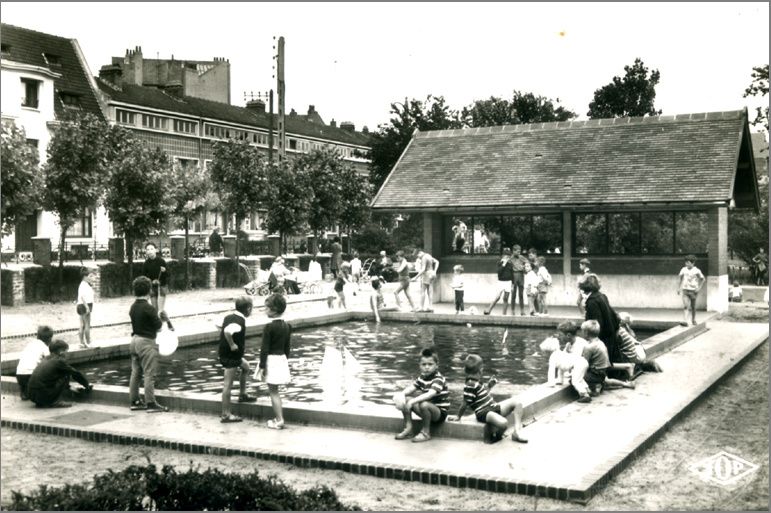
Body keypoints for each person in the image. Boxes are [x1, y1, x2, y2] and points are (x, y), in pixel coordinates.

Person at [449, 354, 527, 444]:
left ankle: (517, 431)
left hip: (493, 407)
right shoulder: (470, 385)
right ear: (480, 371)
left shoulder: (476, 382)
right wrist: (458, 416)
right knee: (504, 423)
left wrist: (489, 386)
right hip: (484, 412)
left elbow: (482, 395)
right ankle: (497, 436)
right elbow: (465, 403)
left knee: (517, 404)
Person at [392, 347, 449, 443]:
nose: (427, 367)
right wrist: (401, 395)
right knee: (405, 399)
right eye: (424, 364)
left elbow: (431, 394)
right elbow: (411, 388)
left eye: (430, 364)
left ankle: (426, 433)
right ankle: (408, 428)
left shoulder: (438, 379)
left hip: (439, 413)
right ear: (419, 365)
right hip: (427, 410)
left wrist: (413, 401)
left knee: (424, 404)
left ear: (436, 365)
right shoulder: (422, 377)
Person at [128, 276, 168, 413]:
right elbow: (159, 328)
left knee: (136, 373)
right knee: (149, 373)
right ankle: (150, 403)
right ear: (149, 290)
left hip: (134, 340)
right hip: (146, 342)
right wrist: (163, 319)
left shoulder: (133, 307)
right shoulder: (149, 308)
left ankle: (135, 401)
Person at [255, 293, 292, 429]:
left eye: (266, 308)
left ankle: (279, 420)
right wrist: (284, 362)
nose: (265, 310)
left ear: (274, 310)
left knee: (273, 392)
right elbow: (287, 348)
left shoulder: (268, 327)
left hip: (271, 360)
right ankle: (279, 418)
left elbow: (264, 349)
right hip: (281, 359)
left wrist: (262, 366)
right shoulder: (287, 326)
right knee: (275, 391)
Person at [219, 296, 257, 423]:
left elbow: (219, 326)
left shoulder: (229, 317)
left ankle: (242, 394)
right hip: (231, 355)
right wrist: (231, 344)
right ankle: (226, 414)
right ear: (248, 309)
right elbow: (228, 332)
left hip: (232, 355)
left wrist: (225, 338)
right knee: (227, 384)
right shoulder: (239, 321)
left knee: (246, 366)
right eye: (251, 308)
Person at [27, 340, 92, 408]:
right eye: (67, 351)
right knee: (67, 373)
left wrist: (69, 387)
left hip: (32, 396)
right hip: (43, 396)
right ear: (62, 352)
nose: (67, 354)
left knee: (61, 373)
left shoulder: (45, 359)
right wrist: (87, 385)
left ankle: (44, 401)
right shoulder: (59, 361)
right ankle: (53, 402)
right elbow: (76, 374)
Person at [580, 320, 636, 396]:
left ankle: (595, 387)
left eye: (582, 331)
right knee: (607, 380)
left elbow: (584, 363)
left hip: (595, 374)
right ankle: (626, 384)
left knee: (576, 377)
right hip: (603, 372)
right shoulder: (600, 342)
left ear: (586, 333)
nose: (581, 333)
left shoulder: (588, 347)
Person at [579, 274, 622, 362]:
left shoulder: (592, 301)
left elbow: (597, 324)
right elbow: (615, 317)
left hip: (603, 340)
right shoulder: (602, 296)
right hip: (611, 337)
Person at [16, 325, 54, 400]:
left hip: (19, 375)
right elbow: (50, 361)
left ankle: (24, 392)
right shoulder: (44, 347)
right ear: (49, 339)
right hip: (31, 376)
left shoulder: (30, 344)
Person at [677, 254, 705, 327]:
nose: (686, 264)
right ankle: (685, 321)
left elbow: (703, 279)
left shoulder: (697, 270)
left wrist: (698, 288)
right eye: (685, 262)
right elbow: (680, 278)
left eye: (688, 262)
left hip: (693, 291)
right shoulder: (683, 269)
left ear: (693, 263)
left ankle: (693, 319)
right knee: (686, 306)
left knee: (693, 306)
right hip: (685, 290)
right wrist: (678, 288)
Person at [141, 242, 169, 315]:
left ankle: (160, 323)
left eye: (151, 249)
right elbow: (144, 277)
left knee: (160, 309)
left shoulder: (161, 261)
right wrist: (151, 281)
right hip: (152, 287)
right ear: (146, 252)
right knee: (154, 308)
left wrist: (165, 271)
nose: (150, 251)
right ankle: (157, 323)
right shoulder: (146, 264)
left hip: (162, 287)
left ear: (155, 250)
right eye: (148, 249)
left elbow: (168, 275)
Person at [484, 248, 514, 315]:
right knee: (497, 297)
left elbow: (512, 274)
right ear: (502, 256)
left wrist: (513, 284)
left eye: (509, 257)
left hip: (508, 282)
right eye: (506, 256)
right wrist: (504, 264)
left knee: (506, 298)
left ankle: (504, 313)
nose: (507, 258)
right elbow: (499, 272)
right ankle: (489, 309)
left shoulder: (510, 264)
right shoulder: (499, 263)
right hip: (501, 282)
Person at [76, 267, 95, 348]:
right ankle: (88, 342)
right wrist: (87, 307)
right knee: (87, 325)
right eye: (90, 276)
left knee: (82, 325)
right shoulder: (83, 285)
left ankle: (81, 342)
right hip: (85, 305)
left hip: (81, 305)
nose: (92, 278)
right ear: (85, 277)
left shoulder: (84, 284)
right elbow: (82, 297)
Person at [510, 244, 529, 316]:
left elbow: (527, 263)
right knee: (513, 294)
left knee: (521, 294)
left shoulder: (522, 257)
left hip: (521, 275)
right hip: (514, 276)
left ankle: (522, 310)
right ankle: (512, 310)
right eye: (517, 251)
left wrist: (524, 267)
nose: (519, 253)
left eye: (520, 251)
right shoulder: (510, 259)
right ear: (513, 251)